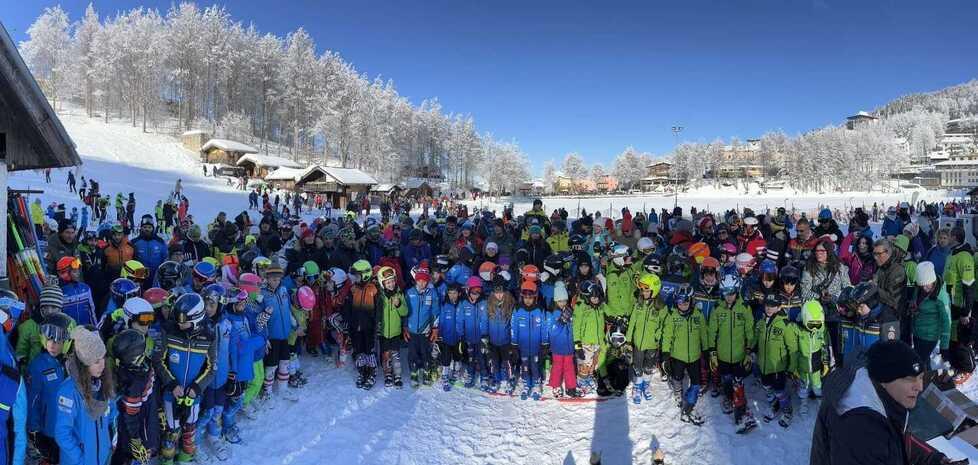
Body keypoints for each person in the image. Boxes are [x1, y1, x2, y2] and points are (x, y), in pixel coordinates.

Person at [810, 340, 963, 465]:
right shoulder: (860, 430)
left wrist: (934, 459)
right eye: (909, 379)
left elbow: (897, 439)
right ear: (884, 380)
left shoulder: (879, 396)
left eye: (920, 377)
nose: (919, 387)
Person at [159, 293, 214, 464]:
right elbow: (158, 360)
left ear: (196, 319)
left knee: (190, 430)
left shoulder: (209, 336)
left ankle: (185, 458)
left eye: (183, 321)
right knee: (171, 432)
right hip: (172, 393)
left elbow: (212, 368)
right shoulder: (170, 331)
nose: (179, 324)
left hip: (193, 395)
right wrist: (171, 383)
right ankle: (167, 461)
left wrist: (197, 387)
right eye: (177, 319)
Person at [54, 326, 115, 465]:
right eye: (96, 361)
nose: (102, 365)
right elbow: (63, 433)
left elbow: (112, 414)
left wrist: (110, 444)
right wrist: (80, 459)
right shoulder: (69, 391)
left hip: (103, 458)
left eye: (103, 358)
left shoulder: (104, 383)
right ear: (84, 363)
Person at [708, 273, 757, 432]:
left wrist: (749, 351)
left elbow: (750, 331)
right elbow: (711, 332)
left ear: (737, 291)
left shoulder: (745, 308)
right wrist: (712, 352)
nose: (729, 296)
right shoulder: (717, 308)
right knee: (727, 379)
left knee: (738, 382)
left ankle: (741, 414)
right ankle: (729, 398)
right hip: (722, 355)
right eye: (725, 293)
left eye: (732, 292)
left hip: (739, 355)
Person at [27, 313, 71, 465]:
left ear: (66, 342)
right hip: (49, 430)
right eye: (49, 339)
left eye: (58, 341)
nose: (52, 345)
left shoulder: (71, 364)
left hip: (70, 428)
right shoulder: (37, 366)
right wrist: (34, 429)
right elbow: (32, 400)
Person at [111, 329, 160, 465]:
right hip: (140, 433)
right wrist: (136, 439)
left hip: (149, 421)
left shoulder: (145, 366)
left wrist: (159, 409)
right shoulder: (133, 382)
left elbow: (153, 390)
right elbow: (130, 415)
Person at [755, 293, 798, 428]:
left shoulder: (785, 325)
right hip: (763, 365)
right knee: (767, 387)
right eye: (767, 305)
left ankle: (787, 410)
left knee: (779, 391)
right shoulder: (761, 323)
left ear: (779, 307)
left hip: (778, 367)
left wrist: (791, 368)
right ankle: (774, 405)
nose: (769, 308)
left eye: (773, 306)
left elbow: (793, 349)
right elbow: (756, 341)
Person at [626, 273, 664, 405]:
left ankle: (646, 385)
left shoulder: (660, 307)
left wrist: (657, 336)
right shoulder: (638, 304)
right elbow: (632, 323)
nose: (643, 292)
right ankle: (637, 386)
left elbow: (663, 324)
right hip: (638, 344)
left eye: (646, 290)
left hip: (652, 344)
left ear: (654, 291)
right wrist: (628, 340)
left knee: (648, 367)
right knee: (637, 366)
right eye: (642, 290)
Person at [910, 261, 951, 369]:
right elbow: (915, 300)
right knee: (923, 361)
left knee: (919, 362)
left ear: (932, 280)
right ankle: (928, 376)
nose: (924, 288)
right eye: (922, 285)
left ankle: (923, 377)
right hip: (917, 332)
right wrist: (913, 307)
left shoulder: (941, 297)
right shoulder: (919, 288)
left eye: (927, 285)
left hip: (929, 336)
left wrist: (944, 346)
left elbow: (947, 322)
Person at [404, 267, 438, 388]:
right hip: (412, 330)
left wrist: (435, 328)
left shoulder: (432, 293)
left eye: (424, 281)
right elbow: (405, 312)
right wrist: (405, 327)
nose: (422, 283)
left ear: (428, 281)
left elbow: (435, 312)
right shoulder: (409, 292)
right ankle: (414, 374)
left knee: (425, 352)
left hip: (425, 330)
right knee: (412, 353)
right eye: (419, 280)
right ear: (416, 280)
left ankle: (426, 372)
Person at [376, 266, 408, 388]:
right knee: (386, 355)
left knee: (395, 355)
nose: (391, 284)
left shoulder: (399, 294)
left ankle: (397, 375)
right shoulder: (380, 297)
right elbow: (377, 313)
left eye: (392, 281)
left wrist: (399, 305)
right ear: (382, 283)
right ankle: (388, 374)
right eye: (388, 282)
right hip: (383, 332)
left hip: (395, 332)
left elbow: (405, 312)